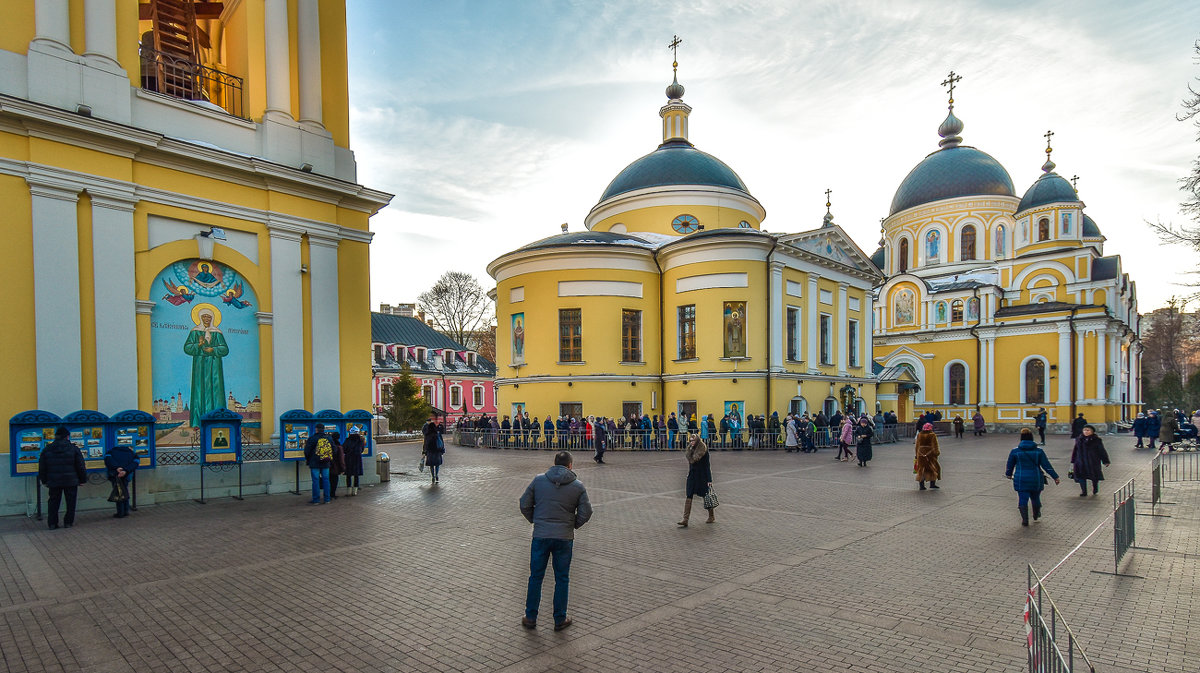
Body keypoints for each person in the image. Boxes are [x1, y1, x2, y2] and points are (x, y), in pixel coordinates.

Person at [520, 451, 592, 632]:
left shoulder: (538, 480)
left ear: (554, 464)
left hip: (541, 536)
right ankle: (559, 618)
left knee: (536, 577)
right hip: (564, 538)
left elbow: (524, 504)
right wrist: (572, 525)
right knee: (562, 578)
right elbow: (586, 512)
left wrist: (535, 520)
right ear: (570, 465)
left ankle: (530, 617)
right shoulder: (577, 486)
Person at [1005, 428, 1061, 526]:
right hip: (1036, 478)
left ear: (1021, 438)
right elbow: (1046, 465)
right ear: (1032, 438)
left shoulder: (1015, 451)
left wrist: (1008, 474)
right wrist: (1055, 477)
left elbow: (1010, 465)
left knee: (1022, 499)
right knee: (1035, 497)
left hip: (1021, 478)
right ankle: (1036, 514)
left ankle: (1025, 520)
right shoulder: (1039, 451)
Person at [38, 427, 86, 529]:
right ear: (67, 436)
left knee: (53, 502)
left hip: (54, 480)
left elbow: (42, 467)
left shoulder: (47, 449)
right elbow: (80, 465)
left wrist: (44, 480)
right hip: (71, 480)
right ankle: (68, 522)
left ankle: (52, 523)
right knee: (71, 502)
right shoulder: (73, 449)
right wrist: (82, 480)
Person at [677, 433, 714, 527]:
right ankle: (685, 519)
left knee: (705, 496)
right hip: (692, 476)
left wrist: (709, 479)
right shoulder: (690, 449)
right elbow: (691, 463)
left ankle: (711, 515)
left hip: (701, 477)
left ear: (697, 440)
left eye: (693, 440)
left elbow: (707, 466)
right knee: (689, 495)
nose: (691, 442)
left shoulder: (703, 450)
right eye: (690, 440)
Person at [1070, 425, 1111, 496]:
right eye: (1084, 430)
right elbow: (1075, 450)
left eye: (1088, 430)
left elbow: (1101, 451)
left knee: (1094, 476)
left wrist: (1105, 461)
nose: (1086, 432)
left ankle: (1095, 488)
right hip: (1080, 461)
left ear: (1092, 432)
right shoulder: (1079, 439)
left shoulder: (1096, 440)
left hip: (1093, 461)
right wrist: (1073, 461)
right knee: (1081, 477)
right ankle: (1084, 491)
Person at [303, 423, 334, 504]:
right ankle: (327, 499)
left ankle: (316, 500)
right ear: (324, 429)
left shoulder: (312, 438)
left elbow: (307, 451)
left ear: (316, 429)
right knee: (326, 480)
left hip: (314, 463)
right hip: (326, 462)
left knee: (315, 481)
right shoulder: (329, 438)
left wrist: (309, 459)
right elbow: (334, 449)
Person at [104, 443, 138, 518]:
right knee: (125, 491)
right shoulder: (132, 453)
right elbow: (135, 463)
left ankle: (120, 512)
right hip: (126, 475)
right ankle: (126, 511)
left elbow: (108, 460)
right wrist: (125, 471)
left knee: (118, 492)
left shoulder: (111, 452)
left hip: (115, 475)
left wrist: (117, 468)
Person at [914, 423, 941, 490]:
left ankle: (921, 486)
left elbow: (917, 445)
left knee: (921, 469)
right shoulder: (932, 435)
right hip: (930, 454)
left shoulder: (919, 434)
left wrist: (916, 455)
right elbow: (935, 445)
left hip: (920, 454)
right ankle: (932, 484)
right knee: (933, 468)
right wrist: (937, 453)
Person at [341, 429, 365, 495]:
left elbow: (344, 449)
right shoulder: (360, 441)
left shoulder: (347, 440)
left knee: (348, 476)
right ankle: (355, 491)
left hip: (349, 459)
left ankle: (349, 491)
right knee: (356, 475)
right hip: (357, 459)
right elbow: (362, 450)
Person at [422, 415, 444, 484]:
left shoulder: (427, 435)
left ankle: (433, 476)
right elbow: (441, 442)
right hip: (437, 451)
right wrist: (442, 450)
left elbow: (425, 444)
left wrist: (424, 452)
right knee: (437, 465)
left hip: (430, 451)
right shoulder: (437, 434)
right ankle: (436, 474)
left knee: (431, 465)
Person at [328, 431, 345, 499]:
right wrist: (343, 468)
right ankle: (332, 494)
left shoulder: (329, 445)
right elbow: (341, 459)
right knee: (334, 481)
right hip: (335, 467)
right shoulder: (339, 446)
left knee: (329, 480)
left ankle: (328, 494)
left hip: (328, 465)